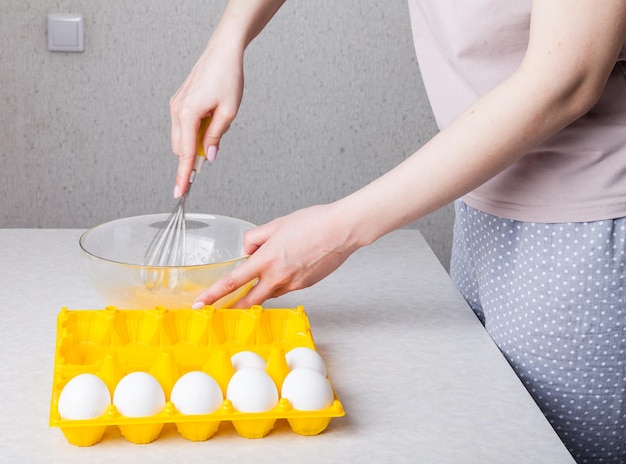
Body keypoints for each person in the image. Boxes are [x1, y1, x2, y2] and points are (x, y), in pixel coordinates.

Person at [169, 1, 626, 462]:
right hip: (482, 205)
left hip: (585, 236)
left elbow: (567, 81)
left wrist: (336, 231)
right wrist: (229, 37)